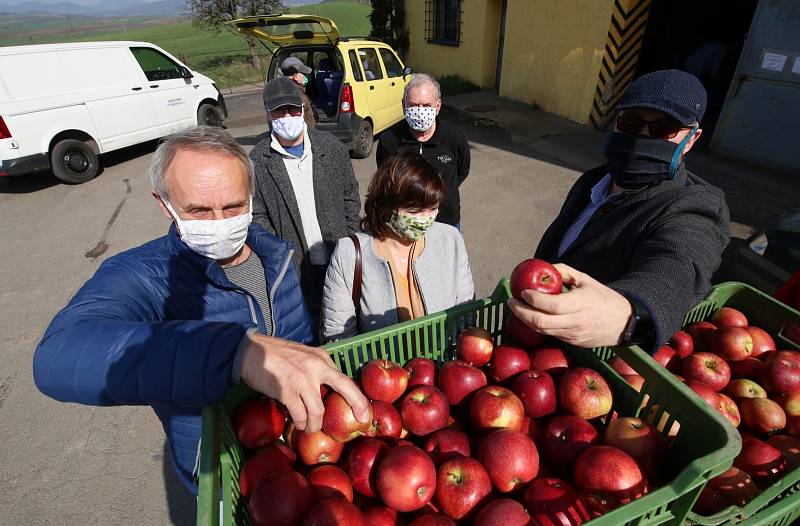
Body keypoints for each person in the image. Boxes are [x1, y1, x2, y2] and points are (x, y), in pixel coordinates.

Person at [32, 126, 369, 494]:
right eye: (198, 210)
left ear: (251, 198)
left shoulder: (278, 255)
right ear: (164, 204)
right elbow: (59, 355)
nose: (219, 222)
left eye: (234, 206)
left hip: (299, 457)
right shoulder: (143, 276)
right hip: (220, 472)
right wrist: (232, 351)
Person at [509, 69, 731, 353]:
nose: (642, 136)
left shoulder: (694, 206)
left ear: (691, 139)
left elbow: (678, 266)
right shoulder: (593, 180)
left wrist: (630, 312)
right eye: (630, 123)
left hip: (589, 359)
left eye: (663, 129)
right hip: (533, 336)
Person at [321, 150, 474, 341]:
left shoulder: (451, 240)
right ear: (386, 207)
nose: (425, 219)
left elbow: (465, 313)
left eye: (433, 208)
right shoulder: (349, 254)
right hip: (380, 366)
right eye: (414, 210)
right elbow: (339, 335)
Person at [250, 77, 360, 334]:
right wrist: (280, 254)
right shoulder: (258, 160)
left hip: (337, 257)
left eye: (293, 109)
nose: (287, 116)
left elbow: (350, 195)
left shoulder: (331, 147)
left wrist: (348, 237)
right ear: (268, 115)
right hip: (295, 268)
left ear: (302, 109)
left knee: (344, 327)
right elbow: (257, 216)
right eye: (279, 111)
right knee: (308, 330)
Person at [376, 73, 471, 229]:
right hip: (404, 223)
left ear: (437, 106)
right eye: (413, 105)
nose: (420, 111)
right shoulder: (389, 140)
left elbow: (462, 170)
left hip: (445, 221)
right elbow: (385, 175)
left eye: (426, 106)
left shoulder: (454, 138)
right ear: (403, 105)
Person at [280, 56, 317, 128]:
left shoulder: (285, 90)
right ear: (295, 76)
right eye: (303, 73)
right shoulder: (297, 95)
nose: (305, 76)